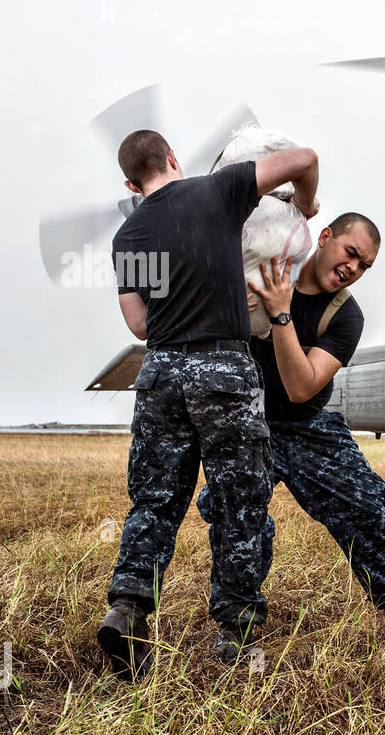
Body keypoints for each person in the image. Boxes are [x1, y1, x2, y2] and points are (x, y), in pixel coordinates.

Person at [100, 129, 319, 679]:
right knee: (238, 502)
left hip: (161, 375)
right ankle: (234, 635)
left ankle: (127, 607)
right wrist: (309, 205)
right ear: (173, 157)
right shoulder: (218, 191)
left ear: (131, 182)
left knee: (154, 501)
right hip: (224, 367)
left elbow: (139, 324)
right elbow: (305, 159)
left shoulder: (129, 234)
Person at [196, 213, 385, 641]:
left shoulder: (347, 317)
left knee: (370, 511)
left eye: (365, 265)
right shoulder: (264, 271)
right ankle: (236, 627)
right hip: (249, 423)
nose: (354, 268)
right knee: (238, 517)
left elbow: (301, 387)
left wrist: (281, 317)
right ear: (325, 237)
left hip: (307, 425)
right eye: (351, 253)